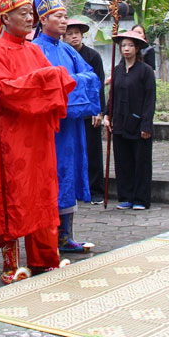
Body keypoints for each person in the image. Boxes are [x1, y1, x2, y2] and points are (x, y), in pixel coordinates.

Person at [0, 0, 75, 283]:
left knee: (44, 193)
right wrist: (47, 78)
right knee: (16, 195)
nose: (30, 18)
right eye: (23, 13)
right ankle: (12, 264)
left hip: (39, 134)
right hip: (12, 136)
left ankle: (45, 257)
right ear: (5, 18)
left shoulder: (34, 51)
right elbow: (4, 91)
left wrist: (49, 78)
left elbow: (55, 86)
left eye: (30, 13)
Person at [31, 0, 101, 253]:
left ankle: (66, 237)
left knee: (69, 175)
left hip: (71, 128)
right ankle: (48, 239)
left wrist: (66, 82)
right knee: (52, 178)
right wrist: (67, 82)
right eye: (58, 16)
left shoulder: (68, 51)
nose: (64, 21)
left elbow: (91, 77)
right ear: (44, 19)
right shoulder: (35, 49)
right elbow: (42, 85)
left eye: (64, 16)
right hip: (50, 128)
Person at [105, 30, 157, 210]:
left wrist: (146, 124)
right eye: (123, 46)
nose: (126, 49)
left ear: (137, 48)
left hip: (138, 123)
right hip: (119, 122)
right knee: (122, 161)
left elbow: (150, 100)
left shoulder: (146, 71)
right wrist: (107, 115)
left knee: (140, 162)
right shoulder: (117, 71)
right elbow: (112, 95)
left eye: (130, 46)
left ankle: (141, 199)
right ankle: (125, 196)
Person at [64, 19, 106, 203]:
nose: (74, 36)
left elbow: (99, 86)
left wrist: (99, 111)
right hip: (70, 112)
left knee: (93, 151)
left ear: (82, 35)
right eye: (70, 33)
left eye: (77, 33)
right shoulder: (63, 55)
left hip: (90, 111)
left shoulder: (93, 56)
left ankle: (96, 189)